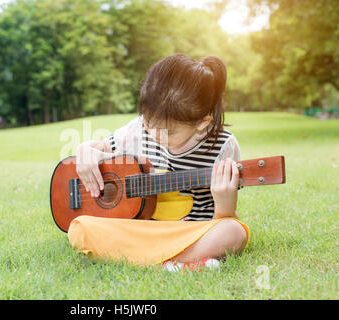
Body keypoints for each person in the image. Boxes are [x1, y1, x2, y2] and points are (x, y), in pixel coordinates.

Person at [68, 54, 249, 272]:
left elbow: (223, 220)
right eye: (147, 121)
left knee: (233, 232)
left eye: (169, 131)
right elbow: (98, 147)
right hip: (141, 231)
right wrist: (84, 152)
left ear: (202, 123)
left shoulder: (224, 146)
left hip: (189, 235)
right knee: (79, 228)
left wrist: (224, 206)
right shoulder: (136, 131)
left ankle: (154, 261)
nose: (153, 134)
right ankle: (180, 263)